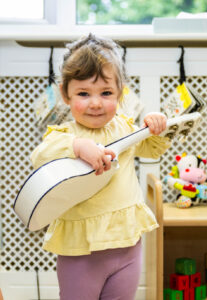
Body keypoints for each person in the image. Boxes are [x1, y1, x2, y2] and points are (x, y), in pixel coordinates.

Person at [30, 33, 171, 300]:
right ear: (65, 94)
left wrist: (156, 126)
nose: (95, 103)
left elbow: (153, 148)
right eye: (84, 93)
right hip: (81, 252)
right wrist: (77, 146)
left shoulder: (126, 128)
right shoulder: (62, 134)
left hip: (127, 246)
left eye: (106, 93)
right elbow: (40, 155)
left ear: (120, 94)